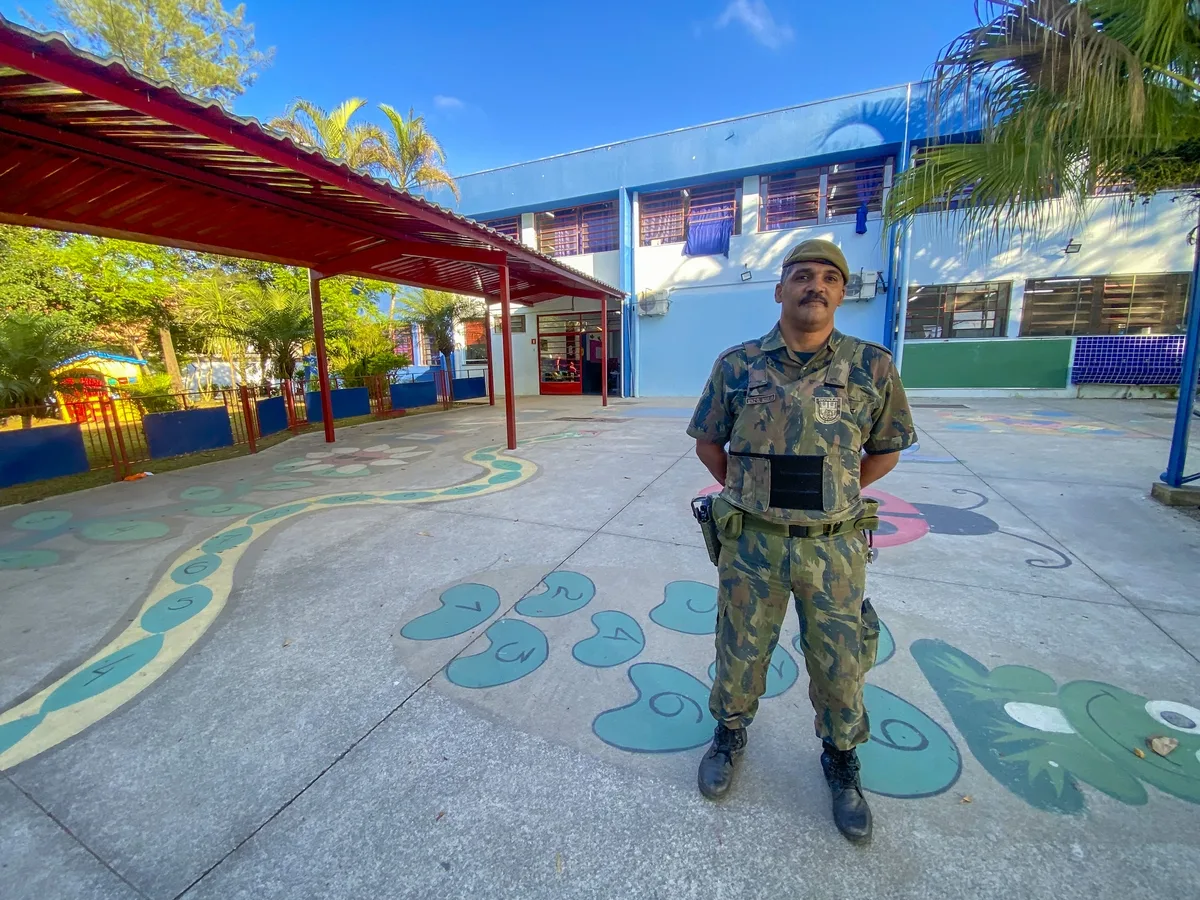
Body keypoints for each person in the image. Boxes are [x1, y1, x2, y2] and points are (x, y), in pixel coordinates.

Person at [686, 238, 916, 843]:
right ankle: (729, 734)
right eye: (802, 275)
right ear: (779, 289)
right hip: (752, 544)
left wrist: (837, 494)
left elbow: (886, 449)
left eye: (829, 278)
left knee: (840, 661)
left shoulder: (873, 366)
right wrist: (749, 494)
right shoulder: (736, 365)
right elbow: (709, 441)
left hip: (833, 548)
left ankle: (841, 760)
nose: (816, 286)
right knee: (739, 647)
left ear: (843, 293)